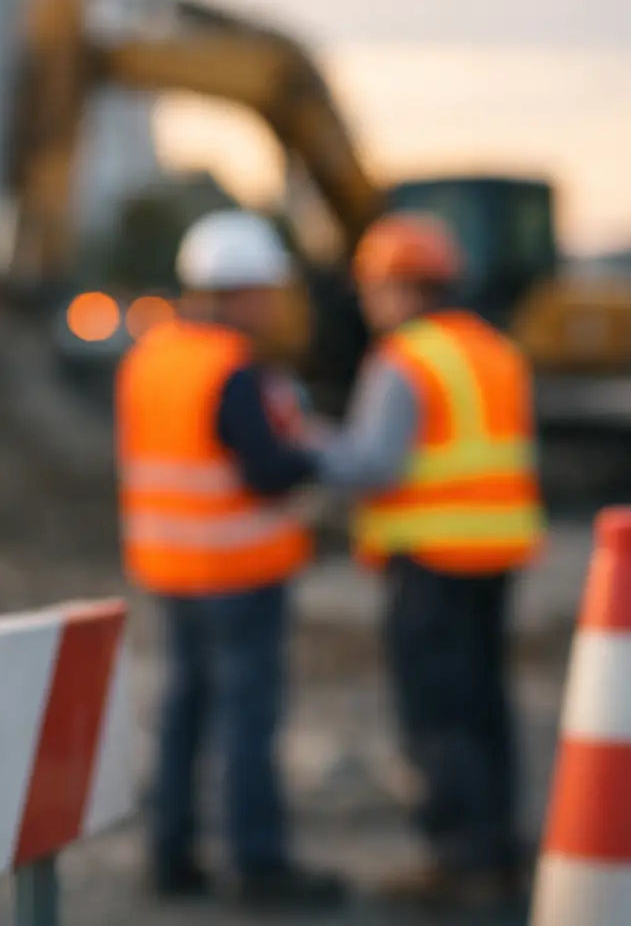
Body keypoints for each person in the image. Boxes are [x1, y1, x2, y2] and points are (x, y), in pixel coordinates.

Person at [305, 212, 544, 909]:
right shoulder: (495, 351)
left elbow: (372, 462)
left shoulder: (403, 361)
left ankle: (459, 859)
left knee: (438, 714)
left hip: (431, 558)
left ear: (402, 288)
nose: (367, 303)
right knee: (485, 704)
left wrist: (304, 441)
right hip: (495, 553)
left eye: (372, 289)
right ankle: (497, 848)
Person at [115, 209, 346, 911]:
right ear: (240, 292)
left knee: (184, 710)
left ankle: (171, 856)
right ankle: (258, 863)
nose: (274, 306)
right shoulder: (232, 369)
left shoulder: (150, 356)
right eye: (267, 292)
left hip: (171, 569)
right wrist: (318, 455)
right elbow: (267, 471)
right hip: (239, 572)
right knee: (248, 718)